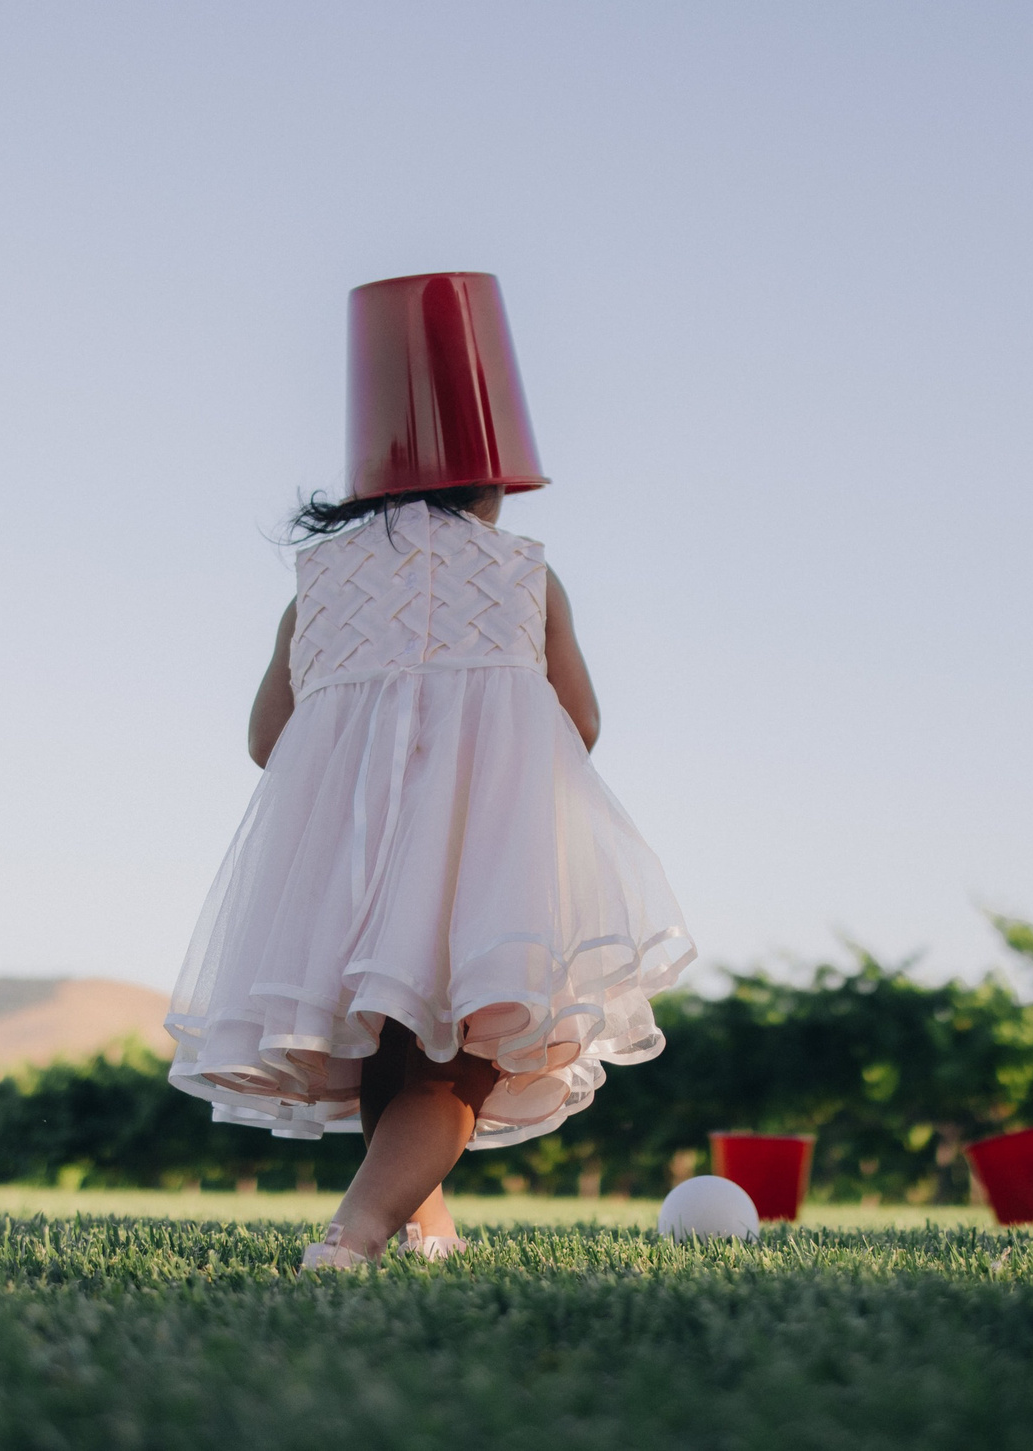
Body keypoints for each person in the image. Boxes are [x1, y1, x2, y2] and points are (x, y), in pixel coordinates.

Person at [165, 272, 696, 1269]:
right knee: (460, 1063)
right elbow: (577, 719)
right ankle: (355, 1234)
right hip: (483, 852)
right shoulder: (519, 573)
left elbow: (264, 739)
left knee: (394, 1040)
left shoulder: (314, 586)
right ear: (492, 482)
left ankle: (427, 1228)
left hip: (338, 864)